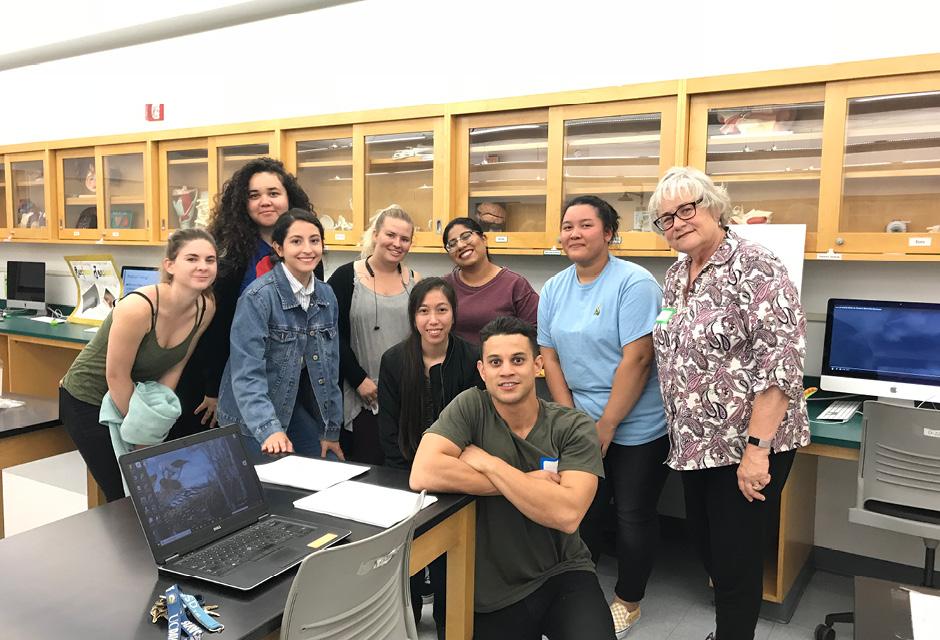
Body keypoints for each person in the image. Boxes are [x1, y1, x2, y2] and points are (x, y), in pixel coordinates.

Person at [648, 167, 810, 640]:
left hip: (747, 445)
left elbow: (780, 364)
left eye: (686, 209)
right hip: (696, 444)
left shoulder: (755, 264)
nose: (677, 223)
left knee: (736, 563)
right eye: (665, 219)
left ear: (714, 206)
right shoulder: (678, 274)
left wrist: (757, 450)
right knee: (710, 550)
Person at [410, 316, 615, 640]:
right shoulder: (470, 407)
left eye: (517, 360)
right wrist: (528, 481)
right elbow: (424, 472)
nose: (506, 370)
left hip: (562, 571)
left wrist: (490, 464)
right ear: (482, 371)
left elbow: (567, 513)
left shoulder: (573, 426)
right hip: (491, 587)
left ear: (537, 365)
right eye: (496, 362)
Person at [537, 194, 669, 638]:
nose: (574, 233)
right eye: (568, 225)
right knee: (582, 511)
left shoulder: (635, 284)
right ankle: (579, 594)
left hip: (636, 425)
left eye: (586, 225)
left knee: (633, 515)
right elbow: (549, 357)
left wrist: (606, 427)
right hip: (579, 422)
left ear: (609, 232)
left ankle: (628, 601)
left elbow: (639, 360)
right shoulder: (555, 288)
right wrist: (572, 421)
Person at [60, 229, 217, 502]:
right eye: (192, 258)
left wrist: (152, 423)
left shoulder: (205, 307)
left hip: (135, 397)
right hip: (88, 398)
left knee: (149, 488)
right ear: (170, 265)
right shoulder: (138, 307)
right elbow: (116, 375)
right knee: (122, 493)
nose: (203, 266)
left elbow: (176, 364)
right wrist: (139, 430)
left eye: (210, 260)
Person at [173, 157, 322, 437]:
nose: (265, 201)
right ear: (243, 203)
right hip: (227, 380)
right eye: (254, 195)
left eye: (273, 193)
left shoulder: (306, 251)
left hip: (283, 381)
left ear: (289, 198)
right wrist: (213, 388)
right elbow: (215, 327)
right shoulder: (227, 255)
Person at [377, 277, 481, 638]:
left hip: (454, 472)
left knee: (446, 558)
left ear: (454, 314)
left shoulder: (471, 358)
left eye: (442, 310)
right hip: (404, 472)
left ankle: (446, 624)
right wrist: (403, 478)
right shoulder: (393, 360)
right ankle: (406, 617)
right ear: (413, 316)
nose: (433, 320)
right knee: (405, 554)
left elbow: (477, 426)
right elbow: (387, 428)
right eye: (424, 311)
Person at [216, 209, 343, 458]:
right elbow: (246, 374)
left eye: (314, 240)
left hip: (287, 402)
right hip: (249, 414)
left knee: (325, 464)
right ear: (279, 248)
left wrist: (331, 430)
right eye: (296, 241)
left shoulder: (326, 295)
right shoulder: (258, 297)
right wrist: (269, 430)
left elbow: (330, 368)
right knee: (276, 483)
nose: (307, 249)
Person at [327, 205, 420, 464]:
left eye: (405, 239)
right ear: (376, 234)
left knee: (404, 472)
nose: (397, 243)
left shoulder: (416, 282)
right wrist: (359, 380)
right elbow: (331, 336)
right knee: (367, 471)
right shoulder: (346, 277)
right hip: (363, 394)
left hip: (406, 397)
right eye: (390, 235)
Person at [441, 216, 539, 344]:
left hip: (502, 362)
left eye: (466, 236)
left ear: (484, 239)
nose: (460, 245)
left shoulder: (515, 285)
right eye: (452, 244)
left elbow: (536, 336)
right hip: (456, 363)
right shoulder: (444, 287)